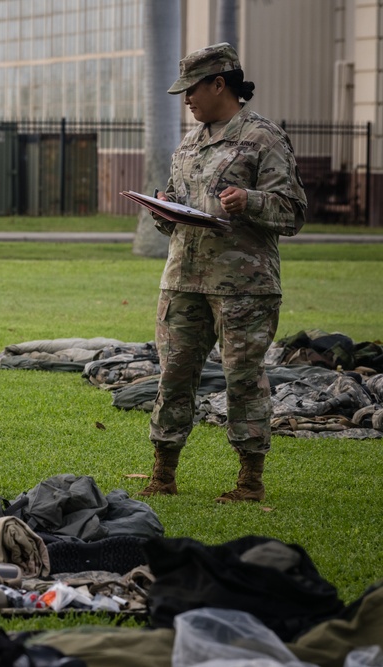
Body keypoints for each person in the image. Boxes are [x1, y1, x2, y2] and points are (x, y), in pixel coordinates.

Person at [140, 43, 307, 503]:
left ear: (220, 84)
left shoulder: (263, 138)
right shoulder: (190, 141)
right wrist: (163, 209)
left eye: (192, 90)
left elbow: (293, 213)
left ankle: (249, 481)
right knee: (172, 376)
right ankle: (163, 473)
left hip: (243, 287)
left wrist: (250, 201)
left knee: (243, 379)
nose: (187, 100)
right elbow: (178, 200)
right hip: (183, 280)